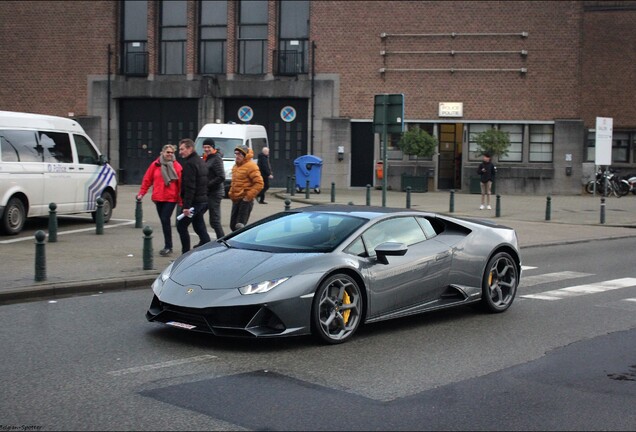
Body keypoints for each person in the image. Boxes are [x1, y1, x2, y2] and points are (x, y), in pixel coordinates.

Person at [136, 144, 182, 256]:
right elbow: (147, 179)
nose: (170, 154)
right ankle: (167, 245)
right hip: (158, 197)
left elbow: (181, 184)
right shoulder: (155, 165)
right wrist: (142, 193)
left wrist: (181, 200)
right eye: (168, 152)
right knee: (163, 221)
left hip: (171, 198)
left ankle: (168, 246)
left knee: (165, 219)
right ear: (162, 153)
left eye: (172, 153)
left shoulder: (177, 166)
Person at [176, 138, 211, 253]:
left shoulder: (190, 164)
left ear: (190, 149)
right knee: (199, 226)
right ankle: (208, 249)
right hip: (202, 200)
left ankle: (185, 254)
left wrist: (186, 206)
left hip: (194, 203)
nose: (180, 152)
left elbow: (190, 187)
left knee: (181, 226)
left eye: (182, 149)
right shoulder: (200, 161)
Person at [228, 145, 264, 231]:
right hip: (236, 200)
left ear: (245, 155)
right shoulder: (236, 166)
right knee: (233, 226)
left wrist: (247, 197)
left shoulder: (251, 166)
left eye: (240, 154)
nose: (237, 156)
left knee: (239, 227)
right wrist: (231, 193)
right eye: (236, 154)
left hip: (245, 201)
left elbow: (259, 183)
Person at [202, 138, 225, 239]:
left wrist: (208, 184)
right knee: (198, 215)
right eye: (205, 147)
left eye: (208, 147)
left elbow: (221, 176)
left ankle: (222, 240)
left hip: (215, 193)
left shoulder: (216, 158)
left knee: (215, 221)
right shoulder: (208, 157)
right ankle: (204, 239)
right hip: (207, 193)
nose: (206, 149)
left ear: (213, 147)